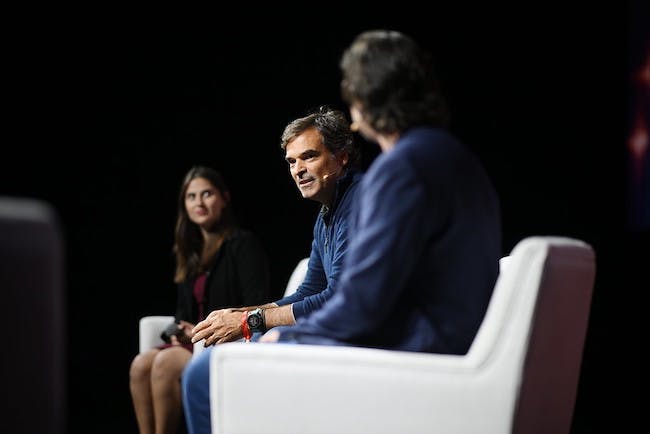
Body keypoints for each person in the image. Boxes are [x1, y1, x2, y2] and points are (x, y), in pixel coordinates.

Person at [262, 29, 502, 355]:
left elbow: (361, 304)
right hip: (454, 346)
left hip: (417, 353)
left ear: (363, 100)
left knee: (205, 375)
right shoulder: (457, 157)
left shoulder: (402, 169)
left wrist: (289, 335)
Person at [181, 107, 363, 434]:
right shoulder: (326, 215)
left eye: (309, 157)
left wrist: (247, 321)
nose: (299, 170)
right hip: (333, 332)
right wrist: (242, 313)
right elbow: (309, 291)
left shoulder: (359, 201)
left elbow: (336, 298)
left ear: (342, 158)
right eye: (292, 162)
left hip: (353, 341)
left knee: (202, 373)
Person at [128, 165, 270, 434]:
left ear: (224, 199)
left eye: (207, 194)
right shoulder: (189, 251)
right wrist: (179, 330)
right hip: (195, 341)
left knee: (163, 365)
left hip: (227, 340)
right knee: (139, 366)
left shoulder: (243, 244)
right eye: (192, 197)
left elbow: (257, 303)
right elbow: (183, 311)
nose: (199, 202)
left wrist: (201, 331)